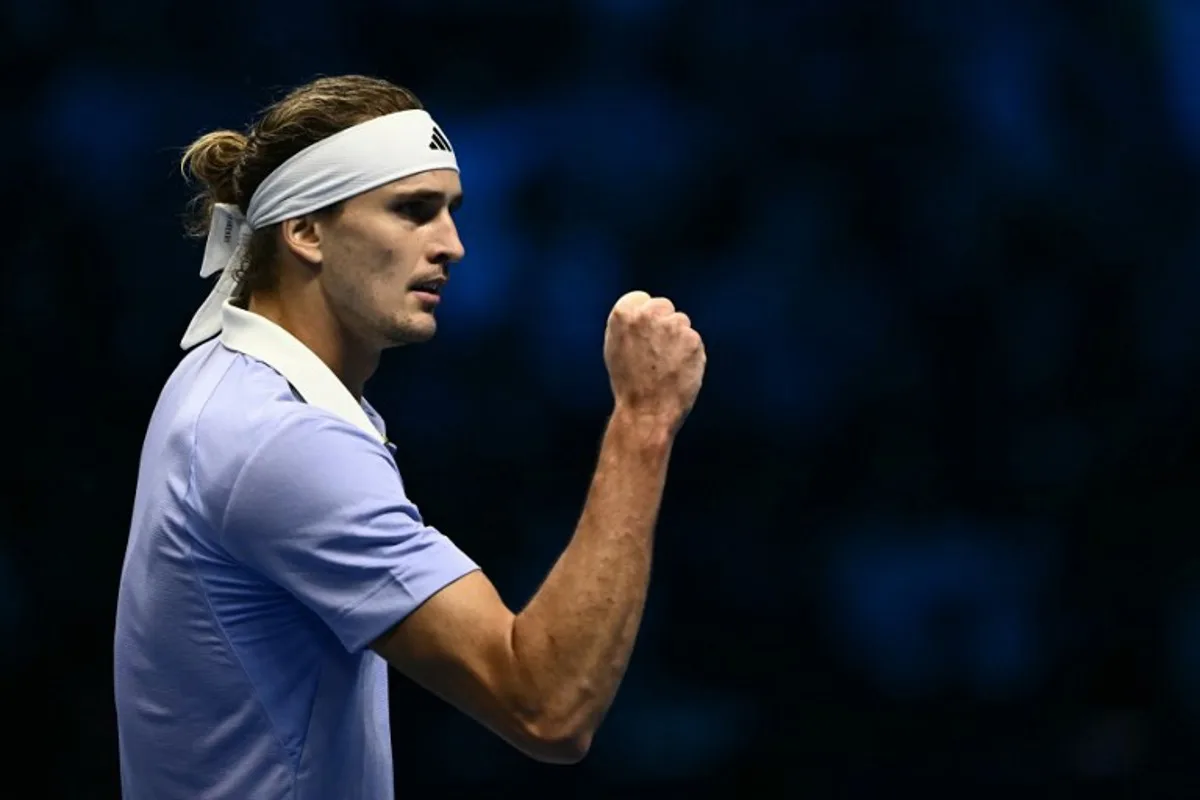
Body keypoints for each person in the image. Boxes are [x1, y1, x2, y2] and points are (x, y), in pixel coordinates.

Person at [113, 74, 706, 799]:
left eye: (451, 212)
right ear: (304, 232)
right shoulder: (280, 439)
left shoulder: (226, 376)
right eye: (413, 211)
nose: (452, 245)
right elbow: (547, 705)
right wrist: (643, 421)